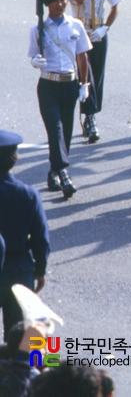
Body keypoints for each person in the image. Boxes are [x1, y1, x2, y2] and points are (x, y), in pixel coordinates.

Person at [27, 0, 90, 199]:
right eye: (56, 1)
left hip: (70, 84)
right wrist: (36, 61)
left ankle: (54, 171)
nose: (61, 4)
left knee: (66, 132)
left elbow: (82, 56)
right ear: (47, 5)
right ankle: (63, 173)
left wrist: (85, 84)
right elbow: (33, 56)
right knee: (55, 129)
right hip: (49, 85)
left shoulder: (76, 25)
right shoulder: (38, 30)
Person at [65, 0, 122, 144]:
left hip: (98, 32)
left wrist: (106, 27)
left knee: (97, 76)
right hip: (81, 32)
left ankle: (90, 114)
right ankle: (90, 119)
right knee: (84, 73)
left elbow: (115, 7)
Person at [0, 132, 50, 339]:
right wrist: (40, 270)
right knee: (21, 332)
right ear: (16, 158)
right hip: (19, 271)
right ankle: (21, 368)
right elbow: (41, 239)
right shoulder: (29, 194)